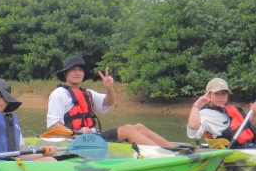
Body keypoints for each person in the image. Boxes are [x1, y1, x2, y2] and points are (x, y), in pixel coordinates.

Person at [47, 56, 176, 148]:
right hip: (75, 141)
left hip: (92, 138)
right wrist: (77, 133)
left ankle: (173, 150)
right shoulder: (59, 94)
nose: (77, 73)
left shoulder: (87, 93)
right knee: (128, 130)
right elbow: (53, 126)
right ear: (65, 74)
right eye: (72, 70)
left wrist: (109, 88)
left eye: (80, 70)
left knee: (139, 127)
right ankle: (163, 156)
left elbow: (108, 103)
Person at [187, 77, 256, 149]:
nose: (220, 97)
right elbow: (193, 126)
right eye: (216, 93)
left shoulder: (229, 109)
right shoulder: (205, 114)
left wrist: (254, 114)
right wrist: (196, 105)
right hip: (236, 149)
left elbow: (247, 127)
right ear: (208, 94)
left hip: (252, 144)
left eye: (224, 93)